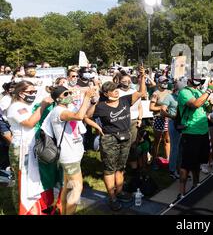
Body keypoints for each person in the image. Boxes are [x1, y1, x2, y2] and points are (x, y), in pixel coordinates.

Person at [85, 66, 147, 211]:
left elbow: (142, 92)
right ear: (106, 93)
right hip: (109, 140)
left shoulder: (125, 100)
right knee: (109, 169)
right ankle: (112, 197)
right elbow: (86, 117)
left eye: (116, 88)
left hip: (125, 136)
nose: (116, 91)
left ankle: (119, 192)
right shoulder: (100, 106)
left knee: (121, 167)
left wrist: (142, 77)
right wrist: (98, 127)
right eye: (112, 90)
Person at [45, 86, 96, 215]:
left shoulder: (67, 108)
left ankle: (63, 211)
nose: (69, 95)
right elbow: (79, 117)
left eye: (69, 92)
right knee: (77, 188)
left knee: (68, 187)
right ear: (58, 98)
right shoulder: (59, 111)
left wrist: (89, 100)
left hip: (74, 153)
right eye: (66, 93)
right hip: (69, 157)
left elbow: (84, 114)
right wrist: (87, 97)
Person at [6, 81, 54, 214]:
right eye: (30, 92)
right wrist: (43, 106)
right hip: (20, 148)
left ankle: (37, 207)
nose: (33, 94)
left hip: (32, 146)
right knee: (22, 181)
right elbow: (30, 123)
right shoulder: (15, 107)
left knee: (33, 179)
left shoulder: (28, 105)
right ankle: (24, 210)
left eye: (34, 92)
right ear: (21, 93)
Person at [177, 77, 213, 196]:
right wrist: (209, 91)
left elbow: (207, 108)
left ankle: (195, 185)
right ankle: (182, 193)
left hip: (203, 132)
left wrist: (211, 104)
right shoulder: (184, 92)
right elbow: (196, 104)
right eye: (195, 78)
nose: (198, 81)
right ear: (189, 80)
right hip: (190, 132)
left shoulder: (200, 92)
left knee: (197, 162)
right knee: (186, 164)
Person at [160, 77, 187, 179]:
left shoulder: (184, 96)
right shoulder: (169, 97)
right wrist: (172, 116)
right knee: (175, 148)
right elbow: (162, 111)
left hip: (183, 124)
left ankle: (180, 169)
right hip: (173, 123)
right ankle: (172, 170)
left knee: (181, 148)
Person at [117, 73, 143, 173]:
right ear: (120, 81)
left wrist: (140, 119)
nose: (127, 83)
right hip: (121, 121)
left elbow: (140, 106)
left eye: (129, 80)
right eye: (124, 81)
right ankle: (121, 166)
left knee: (133, 143)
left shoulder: (134, 92)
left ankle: (132, 165)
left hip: (134, 121)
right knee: (122, 143)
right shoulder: (117, 92)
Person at [149, 76, 172, 170]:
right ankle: (154, 161)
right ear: (158, 83)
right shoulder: (155, 93)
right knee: (157, 141)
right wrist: (162, 107)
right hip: (159, 118)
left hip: (168, 118)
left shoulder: (170, 92)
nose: (165, 83)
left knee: (167, 140)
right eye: (163, 81)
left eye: (166, 81)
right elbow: (151, 108)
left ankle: (168, 160)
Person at [0, 82, 14, 170]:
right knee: (13, 144)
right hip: (3, 124)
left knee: (10, 146)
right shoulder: (6, 99)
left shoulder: (17, 99)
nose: (13, 89)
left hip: (13, 125)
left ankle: (9, 166)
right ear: (7, 90)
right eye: (11, 87)